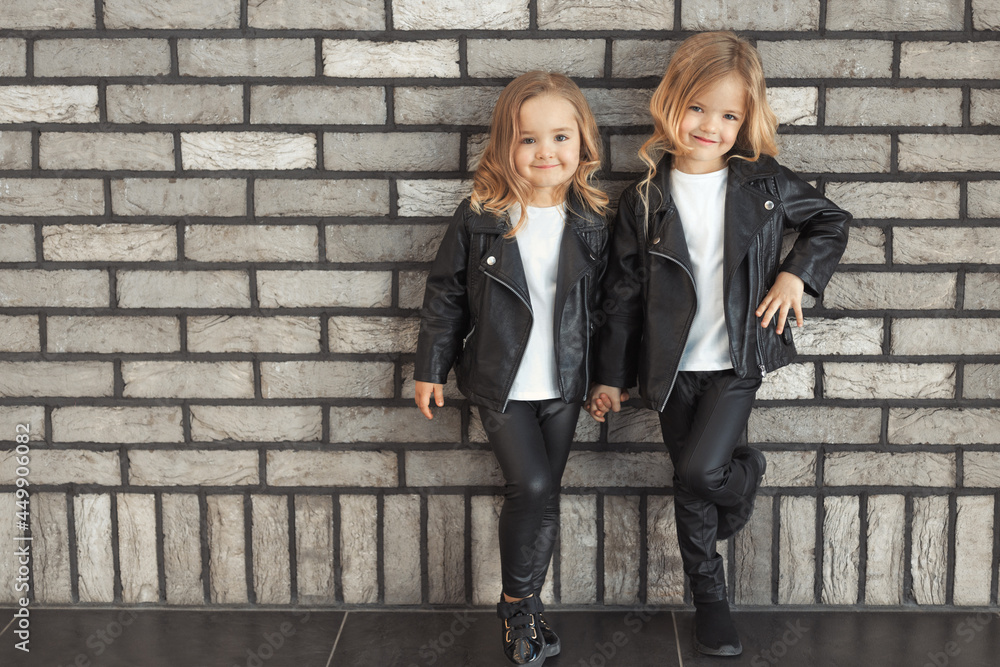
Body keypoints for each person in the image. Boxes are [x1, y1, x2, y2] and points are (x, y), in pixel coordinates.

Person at [586, 31, 851, 657]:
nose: (711, 125)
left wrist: (795, 273)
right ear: (671, 104)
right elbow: (621, 297)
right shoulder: (645, 199)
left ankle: (741, 475)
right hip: (672, 369)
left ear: (745, 121)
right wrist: (609, 375)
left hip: (738, 359)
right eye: (698, 108)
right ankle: (711, 599)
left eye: (729, 115)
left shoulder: (763, 184)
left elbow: (830, 220)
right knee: (689, 480)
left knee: (701, 470)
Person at [414, 70, 609, 666]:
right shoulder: (480, 217)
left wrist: (609, 378)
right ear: (505, 146)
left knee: (545, 493)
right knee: (529, 485)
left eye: (560, 138)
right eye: (528, 139)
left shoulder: (595, 222)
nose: (545, 152)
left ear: (583, 144)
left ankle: (527, 608)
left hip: (567, 383)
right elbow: (446, 293)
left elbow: (614, 306)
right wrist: (430, 366)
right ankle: (516, 606)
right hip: (501, 383)